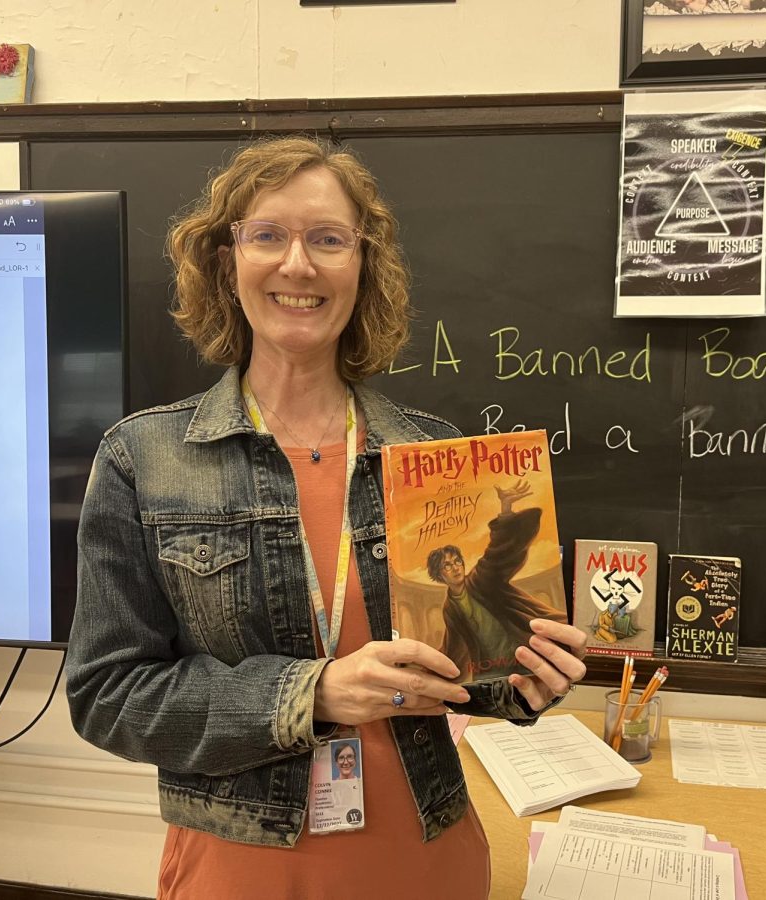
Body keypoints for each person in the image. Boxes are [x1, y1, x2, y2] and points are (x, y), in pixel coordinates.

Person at [65, 135, 588, 900]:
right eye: (268, 235)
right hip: (240, 872)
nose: (298, 264)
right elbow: (107, 697)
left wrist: (523, 683)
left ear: (362, 266)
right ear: (225, 262)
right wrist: (312, 695)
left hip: (427, 861)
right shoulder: (142, 460)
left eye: (328, 239)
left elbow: (465, 672)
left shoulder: (437, 456)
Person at [426, 480, 568, 681]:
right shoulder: (450, 608)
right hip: (489, 674)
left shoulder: (480, 579)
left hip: (526, 661)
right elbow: (453, 648)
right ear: (439, 575)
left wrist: (506, 510)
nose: (456, 567)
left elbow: (499, 552)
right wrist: (425, 667)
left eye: (457, 561)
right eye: (447, 565)